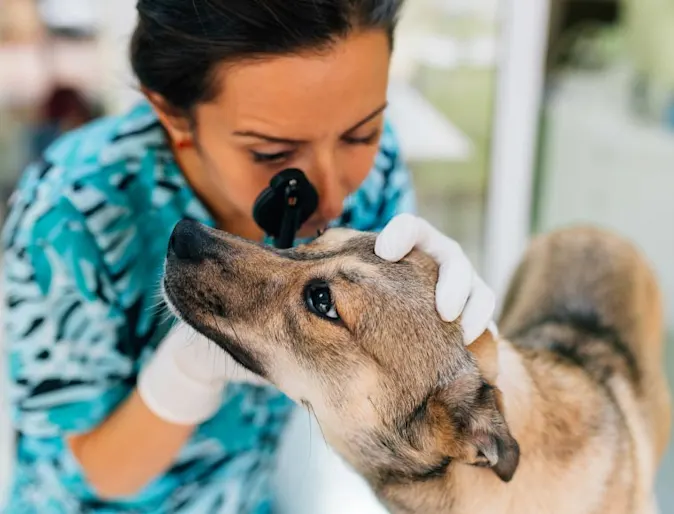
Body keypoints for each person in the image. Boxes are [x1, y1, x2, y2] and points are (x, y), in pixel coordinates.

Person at [1, 1, 496, 512]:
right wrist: (183, 375)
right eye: (272, 153)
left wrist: (460, 344)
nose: (331, 194)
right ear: (174, 116)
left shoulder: (378, 168)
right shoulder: (71, 214)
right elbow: (95, 473)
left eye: (361, 132)